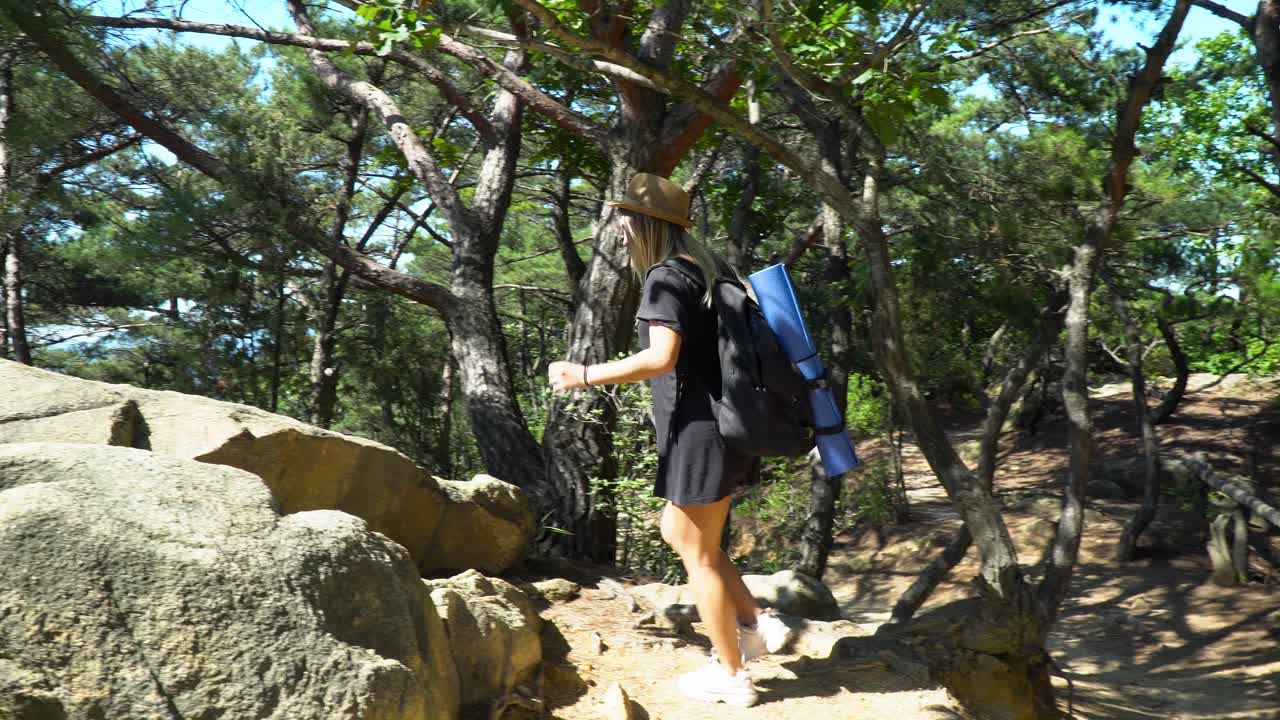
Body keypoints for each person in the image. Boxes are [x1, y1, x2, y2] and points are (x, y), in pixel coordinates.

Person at [548, 173, 792, 707]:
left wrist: (582, 375)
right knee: (681, 534)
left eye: (624, 216)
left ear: (642, 224)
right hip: (728, 427)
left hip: (699, 431)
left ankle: (732, 675)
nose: (619, 225)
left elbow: (661, 358)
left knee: (697, 553)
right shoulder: (706, 270)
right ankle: (751, 624)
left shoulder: (663, 278)